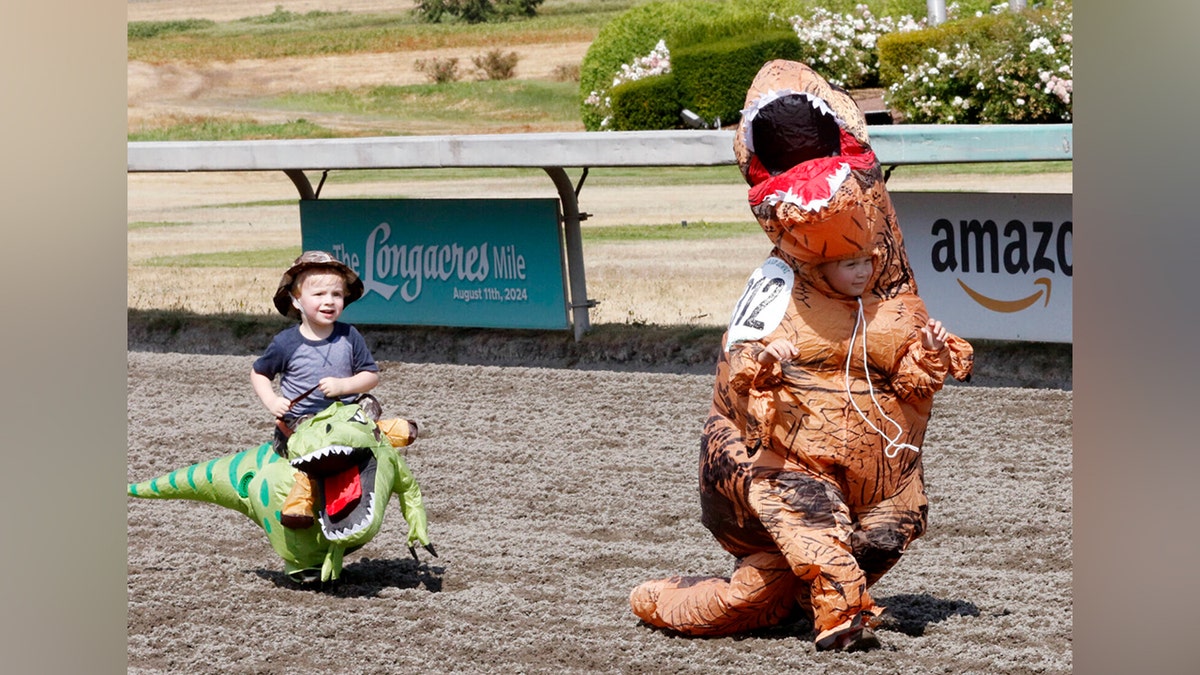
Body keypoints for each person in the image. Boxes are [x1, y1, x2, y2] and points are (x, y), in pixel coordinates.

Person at [628, 60, 973, 653]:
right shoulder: (778, 286)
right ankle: (836, 605)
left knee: (888, 528)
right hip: (778, 458)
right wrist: (767, 363)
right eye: (848, 263)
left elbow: (912, 369)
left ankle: (804, 589)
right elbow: (743, 369)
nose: (861, 266)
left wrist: (933, 354)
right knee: (806, 523)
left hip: (875, 465)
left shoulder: (886, 284)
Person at [251, 250, 408, 529]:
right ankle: (300, 501)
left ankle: (387, 434)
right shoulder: (285, 343)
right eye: (319, 294)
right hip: (302, 425)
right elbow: (259, 373)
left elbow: (370, 376)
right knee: (311, 458)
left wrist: (344, 385)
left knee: (367, 420)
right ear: (296, 300)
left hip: (344, 419)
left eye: (336, 295)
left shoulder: (349, 335)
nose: (329, 301)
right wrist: (272, 400)